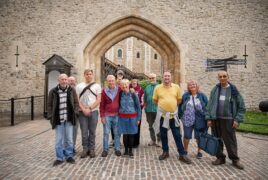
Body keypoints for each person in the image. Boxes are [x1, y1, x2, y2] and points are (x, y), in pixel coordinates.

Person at [206, 71, 245, 170]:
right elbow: (209, 105)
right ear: (218, 78)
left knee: (230, 141)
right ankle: (220, 158)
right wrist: (209, 118)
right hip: (216, 119)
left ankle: (235, 159)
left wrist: (237, 119)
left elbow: (241, 107)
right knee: (217, 139)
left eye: (224, 76)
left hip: (229, 120)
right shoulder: (215, 89)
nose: (222, 78)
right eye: (220, 76)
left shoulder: (233, 90)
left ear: (228, 77)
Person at [153, 70, 191, 164]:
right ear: (162, 77)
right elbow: (155, 100)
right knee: (163, 134)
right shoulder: (158, 88)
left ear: (171, 77)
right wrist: (164, 109)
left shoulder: (176, 87)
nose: (167, 78)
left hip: (173, 116)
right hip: (162, 116)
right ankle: (165, 152)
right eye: (165, 76)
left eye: (168, 76)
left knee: (177, 134)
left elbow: (179, 100)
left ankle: (182, 154)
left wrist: (171, 109)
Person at [47, 73, 79, 166]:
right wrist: (50, 116)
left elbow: (76, 103)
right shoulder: (53, 91)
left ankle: (69, 156)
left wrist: (76, 113)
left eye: (65, 79)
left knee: (69, 139)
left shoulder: (71, 90)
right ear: (59, 80)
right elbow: (49, 105)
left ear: (67, 80)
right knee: (58, 140)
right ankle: (59, 158)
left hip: (69, 119)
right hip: (58, 119)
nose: (64, 81)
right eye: (62, 79)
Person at [179, 80, 208, 159]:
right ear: (188, 87)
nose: (192, 86)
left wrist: (208, 118)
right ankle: (185, 150)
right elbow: (180, 105)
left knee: (199, 136)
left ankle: (199, 151)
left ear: (197, 86)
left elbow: (207, 107)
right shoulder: (185, 95)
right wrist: (180, 115)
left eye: (194, 84)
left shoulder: (202, 96)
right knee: (187, 135)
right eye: (190, 85)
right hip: (187, 119)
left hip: (200, 119)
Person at [76, 69, 101, 158]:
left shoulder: (97, 86)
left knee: (92, 131)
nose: (89, 75)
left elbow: (98, 99)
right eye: (87, 74)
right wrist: (83, 109)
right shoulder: (79, 86)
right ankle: (85, 148)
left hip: (93, 111)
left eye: (90, 74)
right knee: (84, 131)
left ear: (92, 75)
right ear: (84, 75)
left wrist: (89, 108)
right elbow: (77, 99)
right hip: (82, 111)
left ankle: (92, 149)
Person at [118, 79, 141, 158]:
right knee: (125, 134)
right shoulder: (120, 94)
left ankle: (130, 150)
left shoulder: (133, 94)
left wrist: (138, 118)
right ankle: (126, 150)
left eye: (126, 84)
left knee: (131, 134)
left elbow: (138, 107)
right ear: (120, 86)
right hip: (122, 117)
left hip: (132, 117)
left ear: (129, 84)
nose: (124, 86)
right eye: (122, 85)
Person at [99, 75, 121, 157]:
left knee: (117, 133)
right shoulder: (104, 91)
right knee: (106, 133)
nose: (111, 82)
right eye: (109, 81)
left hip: (117, 115)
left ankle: (117, 149)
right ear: (107, 81)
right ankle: (105, 149)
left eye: (112, 80)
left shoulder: (119, 89)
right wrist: (102, 116)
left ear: (115, 80)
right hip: (107, 115)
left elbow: (126, 89)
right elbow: (102, 105)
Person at [143, 73, 160, 146]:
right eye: (150, 78)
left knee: (158, 126)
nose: (151, 79)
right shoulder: (147, 87)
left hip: (158, 110)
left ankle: (159, 141)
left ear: (155, 78)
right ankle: (153, 140)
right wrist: (145, 107)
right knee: (150, 126)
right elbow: (145, 98)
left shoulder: (160, 87)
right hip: (149, 110)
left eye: (153, 78)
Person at [110, 69, 125, 147]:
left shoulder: (124, 85)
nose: (120, 76)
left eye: (121, 75)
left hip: (121, 108)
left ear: (123, 76)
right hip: (114, 108)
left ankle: (119, 140)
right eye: (118, 75)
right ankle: (113, 140)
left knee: (120, 125)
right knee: (113, 125)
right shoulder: (113, 85)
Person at [130, 78, 144, 148]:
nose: (134, 83)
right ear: (131, 83)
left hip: (138, 111)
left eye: (135, 82)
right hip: (129, 112)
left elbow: (142, 100)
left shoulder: (140, 89)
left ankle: (136, 142)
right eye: (133, 82)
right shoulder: (128, 88)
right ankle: (130, 142)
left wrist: (140, 109)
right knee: (130, 127)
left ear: (137, 82)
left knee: (137, 126)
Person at [67, 76, 79, 153]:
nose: (72, 82)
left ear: (75, 81)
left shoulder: (78, 89)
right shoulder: (65, 90)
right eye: (70, 80)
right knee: (67, 132)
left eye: (73, 80)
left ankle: (72, 147)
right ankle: (67, 147)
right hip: (67, 115)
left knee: (74, 131)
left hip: (76, 114)